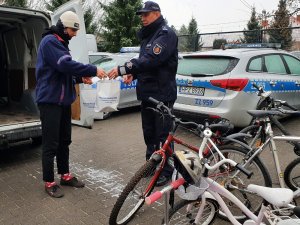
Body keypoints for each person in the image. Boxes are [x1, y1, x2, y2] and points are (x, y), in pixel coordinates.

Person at [35, 11, 106, 198]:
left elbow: (63, 72)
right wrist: (93, 69)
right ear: (64, 27)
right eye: (73, 30)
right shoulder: (50, 41)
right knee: (51, 144)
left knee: (64, 141)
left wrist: (81, 78)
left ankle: (65, 175)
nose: (74, 34)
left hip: (63, 101)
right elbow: (64, 65)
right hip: (50, 101)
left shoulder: (61, 42)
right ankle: (49, 181)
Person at [108, 1, 178, 186]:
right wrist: (134, 72)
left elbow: (153, 59)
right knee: (149, 133)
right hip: (147, 93)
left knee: (163, 135)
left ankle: (166, 170)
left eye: (146, 14)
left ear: (156, 13)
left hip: (162, 95)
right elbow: (144, 61)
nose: (142, 18)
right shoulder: (149, 36)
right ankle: (151, 165)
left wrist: (124, 68)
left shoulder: (165, 34)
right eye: (141, 15)